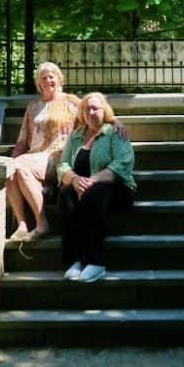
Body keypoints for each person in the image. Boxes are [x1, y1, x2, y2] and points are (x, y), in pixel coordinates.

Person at [56, 91, 135, 284]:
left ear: (104, 111)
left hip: (115, 188)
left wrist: (92, 180)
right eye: (86, 109)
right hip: (82, 188)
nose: (90, 112)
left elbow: (122, 164)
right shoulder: (76, 135)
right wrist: (74, 180)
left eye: (95, 108)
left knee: (93, 195)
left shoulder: (114, 132)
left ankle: (96, 262)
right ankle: (75, 261)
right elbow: (62, 164)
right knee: (65, 195)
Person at [6, 61, 80, 242]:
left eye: (51, 77)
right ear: (38, 82)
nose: (48, 81)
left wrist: (115, 123)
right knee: (10, 169)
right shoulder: (33, 107)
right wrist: (11, 160)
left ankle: (42, 224)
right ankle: (22, 225)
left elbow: (97, 113)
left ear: (59, 78)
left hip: (57, 155)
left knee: (20, 166)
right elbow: (23, 139)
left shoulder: (71, 102)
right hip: (33, 157)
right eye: (43, 78)